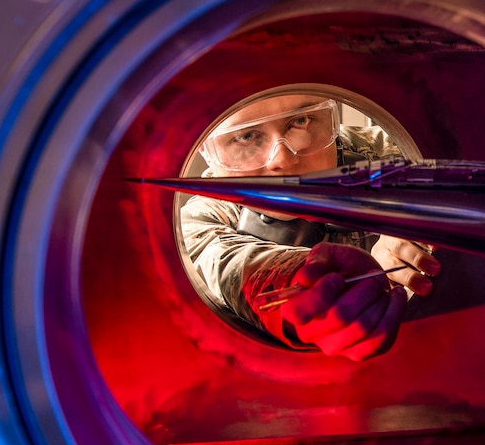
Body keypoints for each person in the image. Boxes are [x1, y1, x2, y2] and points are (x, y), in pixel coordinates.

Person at [180, 94, 440, 361]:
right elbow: (234, 265)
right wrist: (309, 286)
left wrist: (416, 225)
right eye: (246, 136)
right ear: (205, 147)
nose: (282, 159)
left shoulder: (393, 153)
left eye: (301, 121)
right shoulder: (203, 221)